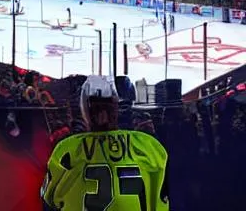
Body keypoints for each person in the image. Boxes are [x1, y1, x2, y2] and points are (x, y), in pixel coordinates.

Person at [41, 75, 169, 210]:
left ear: (84, 110)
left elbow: (49, 201)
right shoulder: (148, 146)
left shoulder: (66, 150)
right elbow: (162, 200)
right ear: (116, 107)